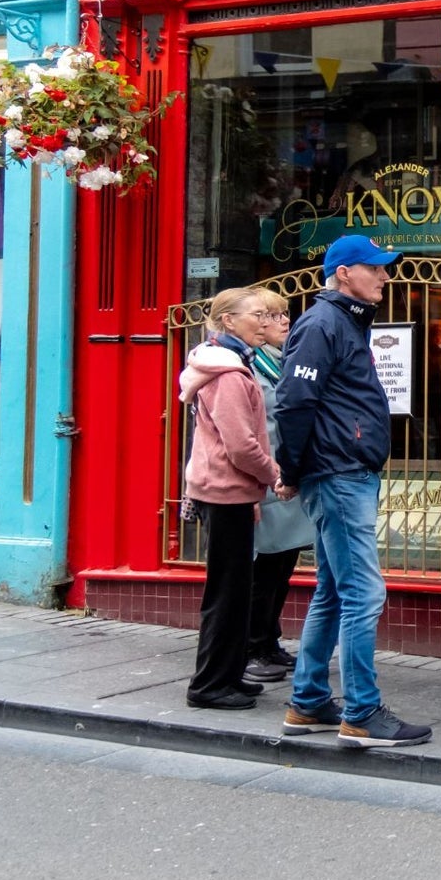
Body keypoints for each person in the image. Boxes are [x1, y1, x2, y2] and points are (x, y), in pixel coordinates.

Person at [274, 235, 432, 749]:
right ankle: (362, 710)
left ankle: (309, 700)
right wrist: (291, 469)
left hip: (340, 470)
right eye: (376, 268)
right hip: (339, 473)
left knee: (332, 590)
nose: (385, 276)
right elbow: (294, 402)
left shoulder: (341, 322)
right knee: (364, 593)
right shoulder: (324, 324)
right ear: (344, 273)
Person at [179, 287, 281, 711]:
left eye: (265, 315)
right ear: (227, 322)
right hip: (224, 492)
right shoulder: (230, 375)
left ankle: (228, 675)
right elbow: (241, 445)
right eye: (255, 315)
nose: (263, 321)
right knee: (227, 593)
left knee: (234, 591)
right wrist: (274, 476)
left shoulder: (226, 363)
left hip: (226, 490)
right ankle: (210, 685)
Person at [245, 287, 316, 685]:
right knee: (261, 567)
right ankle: (251, 646)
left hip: (285, 480)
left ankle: (268, 640)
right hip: (263, 480)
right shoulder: (249, 366)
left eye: (284, 314)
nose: (284, 321)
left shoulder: (281, 362)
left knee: (281, 564)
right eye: (272, 316)